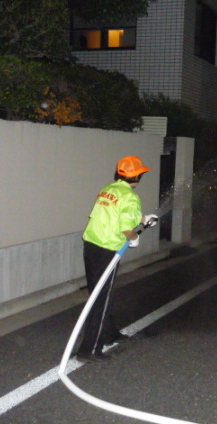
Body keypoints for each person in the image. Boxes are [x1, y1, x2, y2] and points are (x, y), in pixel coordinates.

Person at [76, 155, 158, 363]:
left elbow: (117, 213)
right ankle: (89, 349)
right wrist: (134, 238)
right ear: (137, 176)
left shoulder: (109, 189)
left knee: (98, 293)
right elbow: (125, 228)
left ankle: (110, 333)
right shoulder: (131, 196)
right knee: (102, 299)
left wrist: (143, 219)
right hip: (107, 250)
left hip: (91, 245)